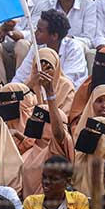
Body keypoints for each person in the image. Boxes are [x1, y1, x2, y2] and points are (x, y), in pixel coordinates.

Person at [20, 56, 75, 197]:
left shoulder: (54, 149)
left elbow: (59, 134)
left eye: (42, 119)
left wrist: (50, 94)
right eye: (35, 117)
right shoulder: (28, 151)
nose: (36, 121)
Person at [12, 10, 88, 88]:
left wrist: (38, 81)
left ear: (54, 36)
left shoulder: (74, 48)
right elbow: (20, 78)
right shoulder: (37, 47)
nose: (35, 33)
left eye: (40, 31)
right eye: (36, 29)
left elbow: (67, 84)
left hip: (67, 95)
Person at [22, 155, 90, 209]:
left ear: (67, 182)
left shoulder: (78, 201)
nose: (46, 182)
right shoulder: (31, 203)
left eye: (53, 179)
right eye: (44, 177)